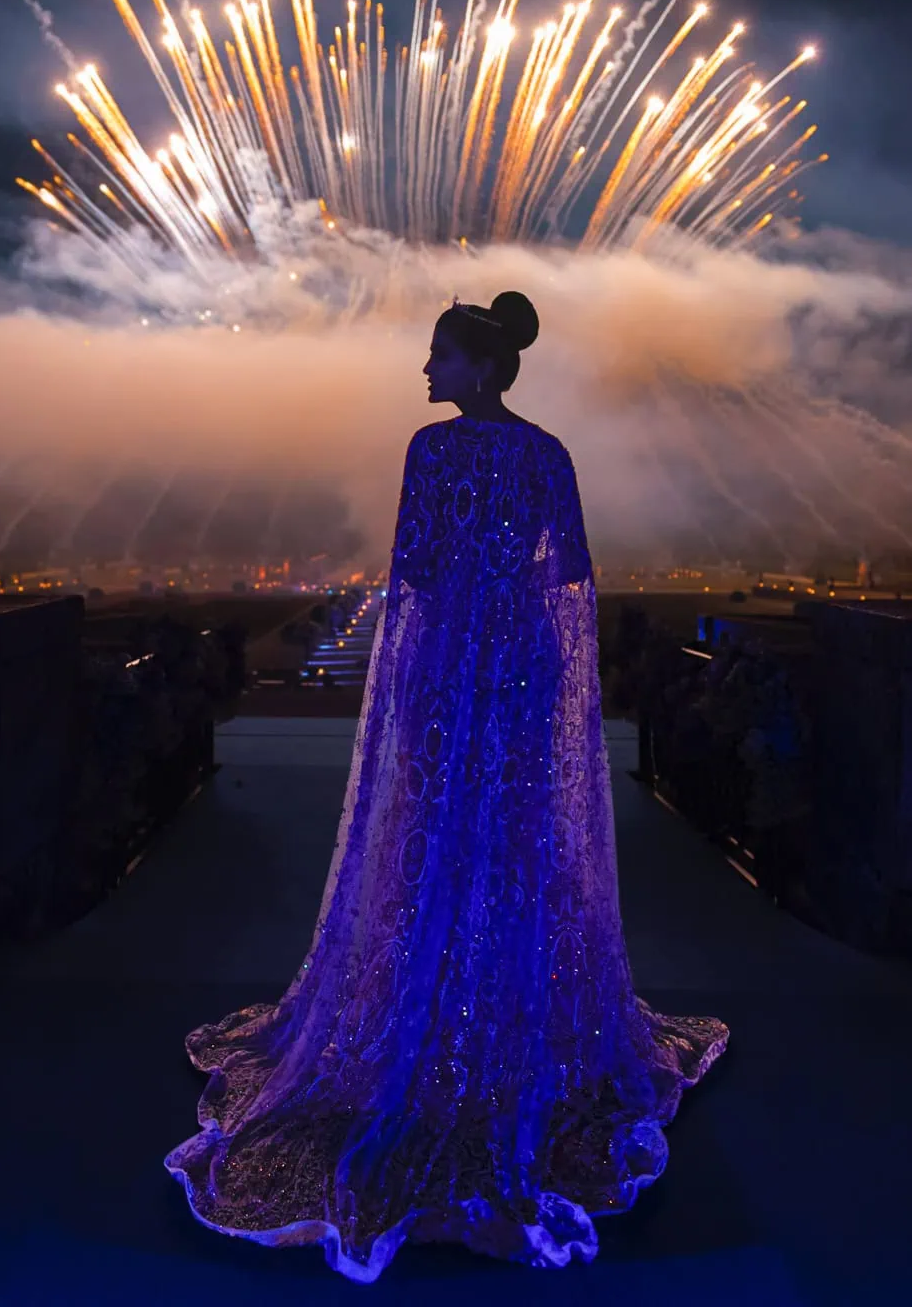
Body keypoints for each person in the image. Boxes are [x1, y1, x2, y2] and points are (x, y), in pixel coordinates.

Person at [164, 291, 728, 1282]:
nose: (425, 370)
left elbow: (417, 577)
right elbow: (567, 582)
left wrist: (425, 676)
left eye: (439, 356)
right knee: (516, 847)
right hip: (521, 672)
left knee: (430, 842)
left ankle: (431, 1007)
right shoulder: (548, 453)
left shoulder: (432, 454)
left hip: (444, 676)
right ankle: (507, 1011)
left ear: (479, 366)